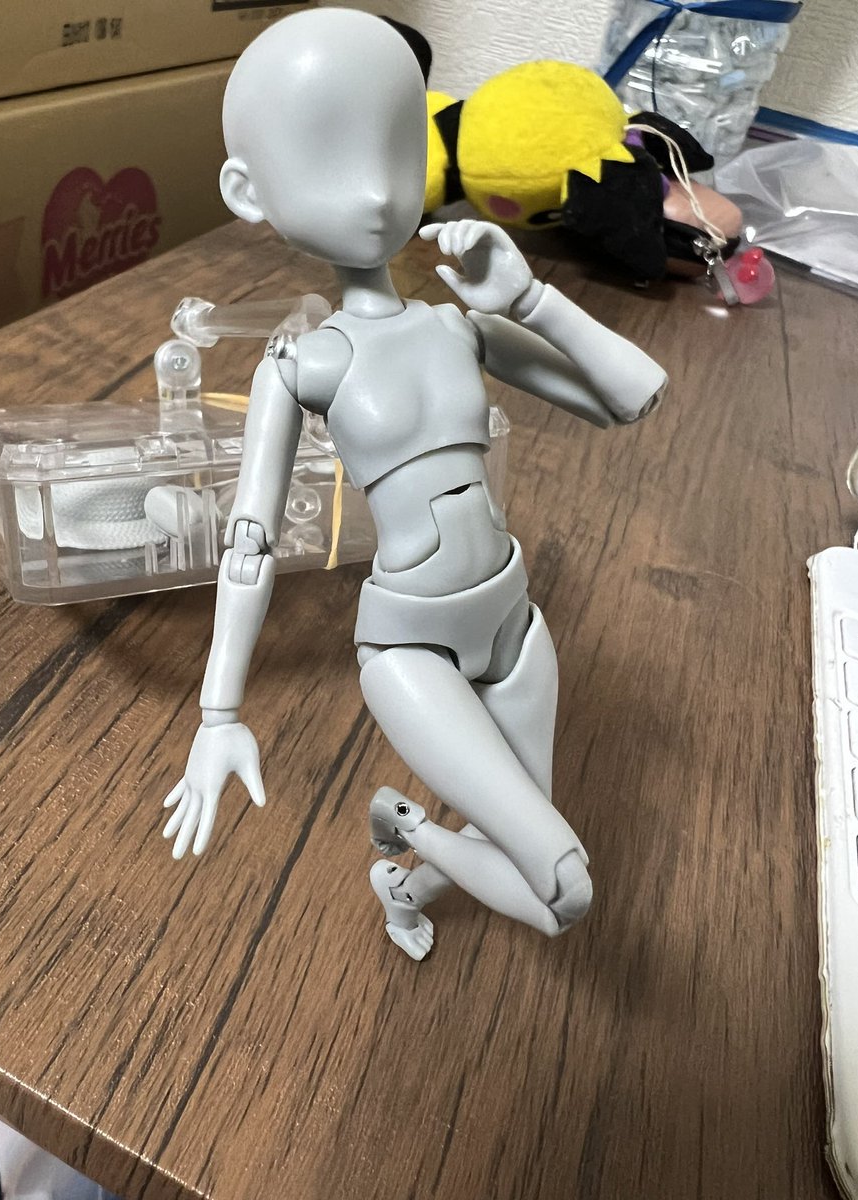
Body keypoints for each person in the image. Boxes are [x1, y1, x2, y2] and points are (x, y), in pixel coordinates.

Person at [161, 8, 667, 961]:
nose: (373, 188)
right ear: (247, 191)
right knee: (560, 889)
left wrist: (531, 298)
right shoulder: (302, 364)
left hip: (515, 621)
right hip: (412, 646)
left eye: (396, 145)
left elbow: (632, 397)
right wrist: (218, 714)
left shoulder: (453, 326)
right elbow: (250, 542)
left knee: (512, 830)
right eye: (327, 153)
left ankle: (400, 872)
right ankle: (407, 828)